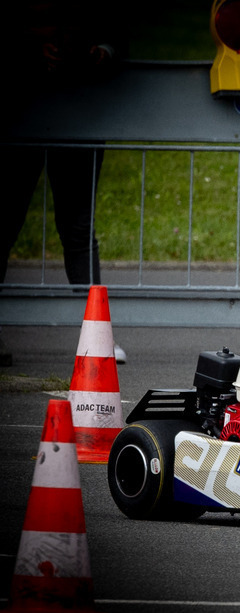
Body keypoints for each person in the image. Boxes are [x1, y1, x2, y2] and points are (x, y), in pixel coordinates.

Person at [2, 1, 128, 365]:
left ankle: (97, 337)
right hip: (19, 110)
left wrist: (102, 53)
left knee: (78, 226)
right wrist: (29, 52)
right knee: (5, 223)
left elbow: (119, 34)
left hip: (80, 109)